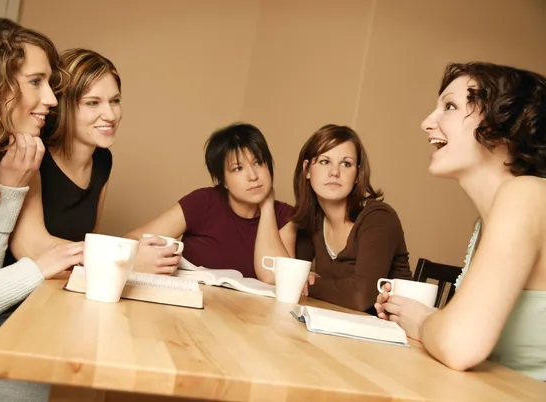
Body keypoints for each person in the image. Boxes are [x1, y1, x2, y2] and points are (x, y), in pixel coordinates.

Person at [375, 62, 546, 381]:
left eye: (450, 106)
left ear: (501, 126)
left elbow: (460, 346)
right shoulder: (484, 223)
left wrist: (424, 320)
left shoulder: (527, 195)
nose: (427, 122)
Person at [0, 18, 84, 401]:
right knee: (34, 389)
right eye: (36, 81)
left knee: (57, 354)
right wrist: (36, 269)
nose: (53, 100)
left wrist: (6, 191)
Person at [126, 123, 295, 284]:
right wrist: (139, 261)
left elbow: (275, 278)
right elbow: (131, 239)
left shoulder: (285, 217)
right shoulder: (203, 202)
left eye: (258, 162)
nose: (253, 176)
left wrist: (267, 207)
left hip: (245, 313)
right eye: (238, 168)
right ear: (223, 180)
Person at [6, 48, 121, 265]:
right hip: (16, 291)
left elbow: (89, 240)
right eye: (92, 102)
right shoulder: (33, 152)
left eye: (115, 100)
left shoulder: (103, 160)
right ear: (63, 106)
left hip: (59, 286)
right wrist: (123, 258)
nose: (111, 115)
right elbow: (29, 247)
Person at [293, 124, 411, 313]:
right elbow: (289, 274)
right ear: (307, 169)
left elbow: (361, 297)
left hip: (392, 333)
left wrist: (312, 285)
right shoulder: (314, 220)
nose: (334, 172)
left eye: (346, 164)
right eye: (324, 161)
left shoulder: (378, 218)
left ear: (357, 174)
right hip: (339, 327)